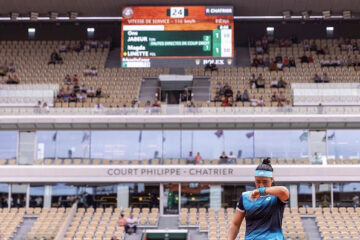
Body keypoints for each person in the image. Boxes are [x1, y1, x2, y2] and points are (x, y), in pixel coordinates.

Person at [228, 158, 290, 240]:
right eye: (258, 181)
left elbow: (284, 191)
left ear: (272, 180)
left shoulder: (277, 196)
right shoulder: (245, 197)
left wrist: (261, 191)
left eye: (265, 182)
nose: (261, 185)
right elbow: (235, 224)